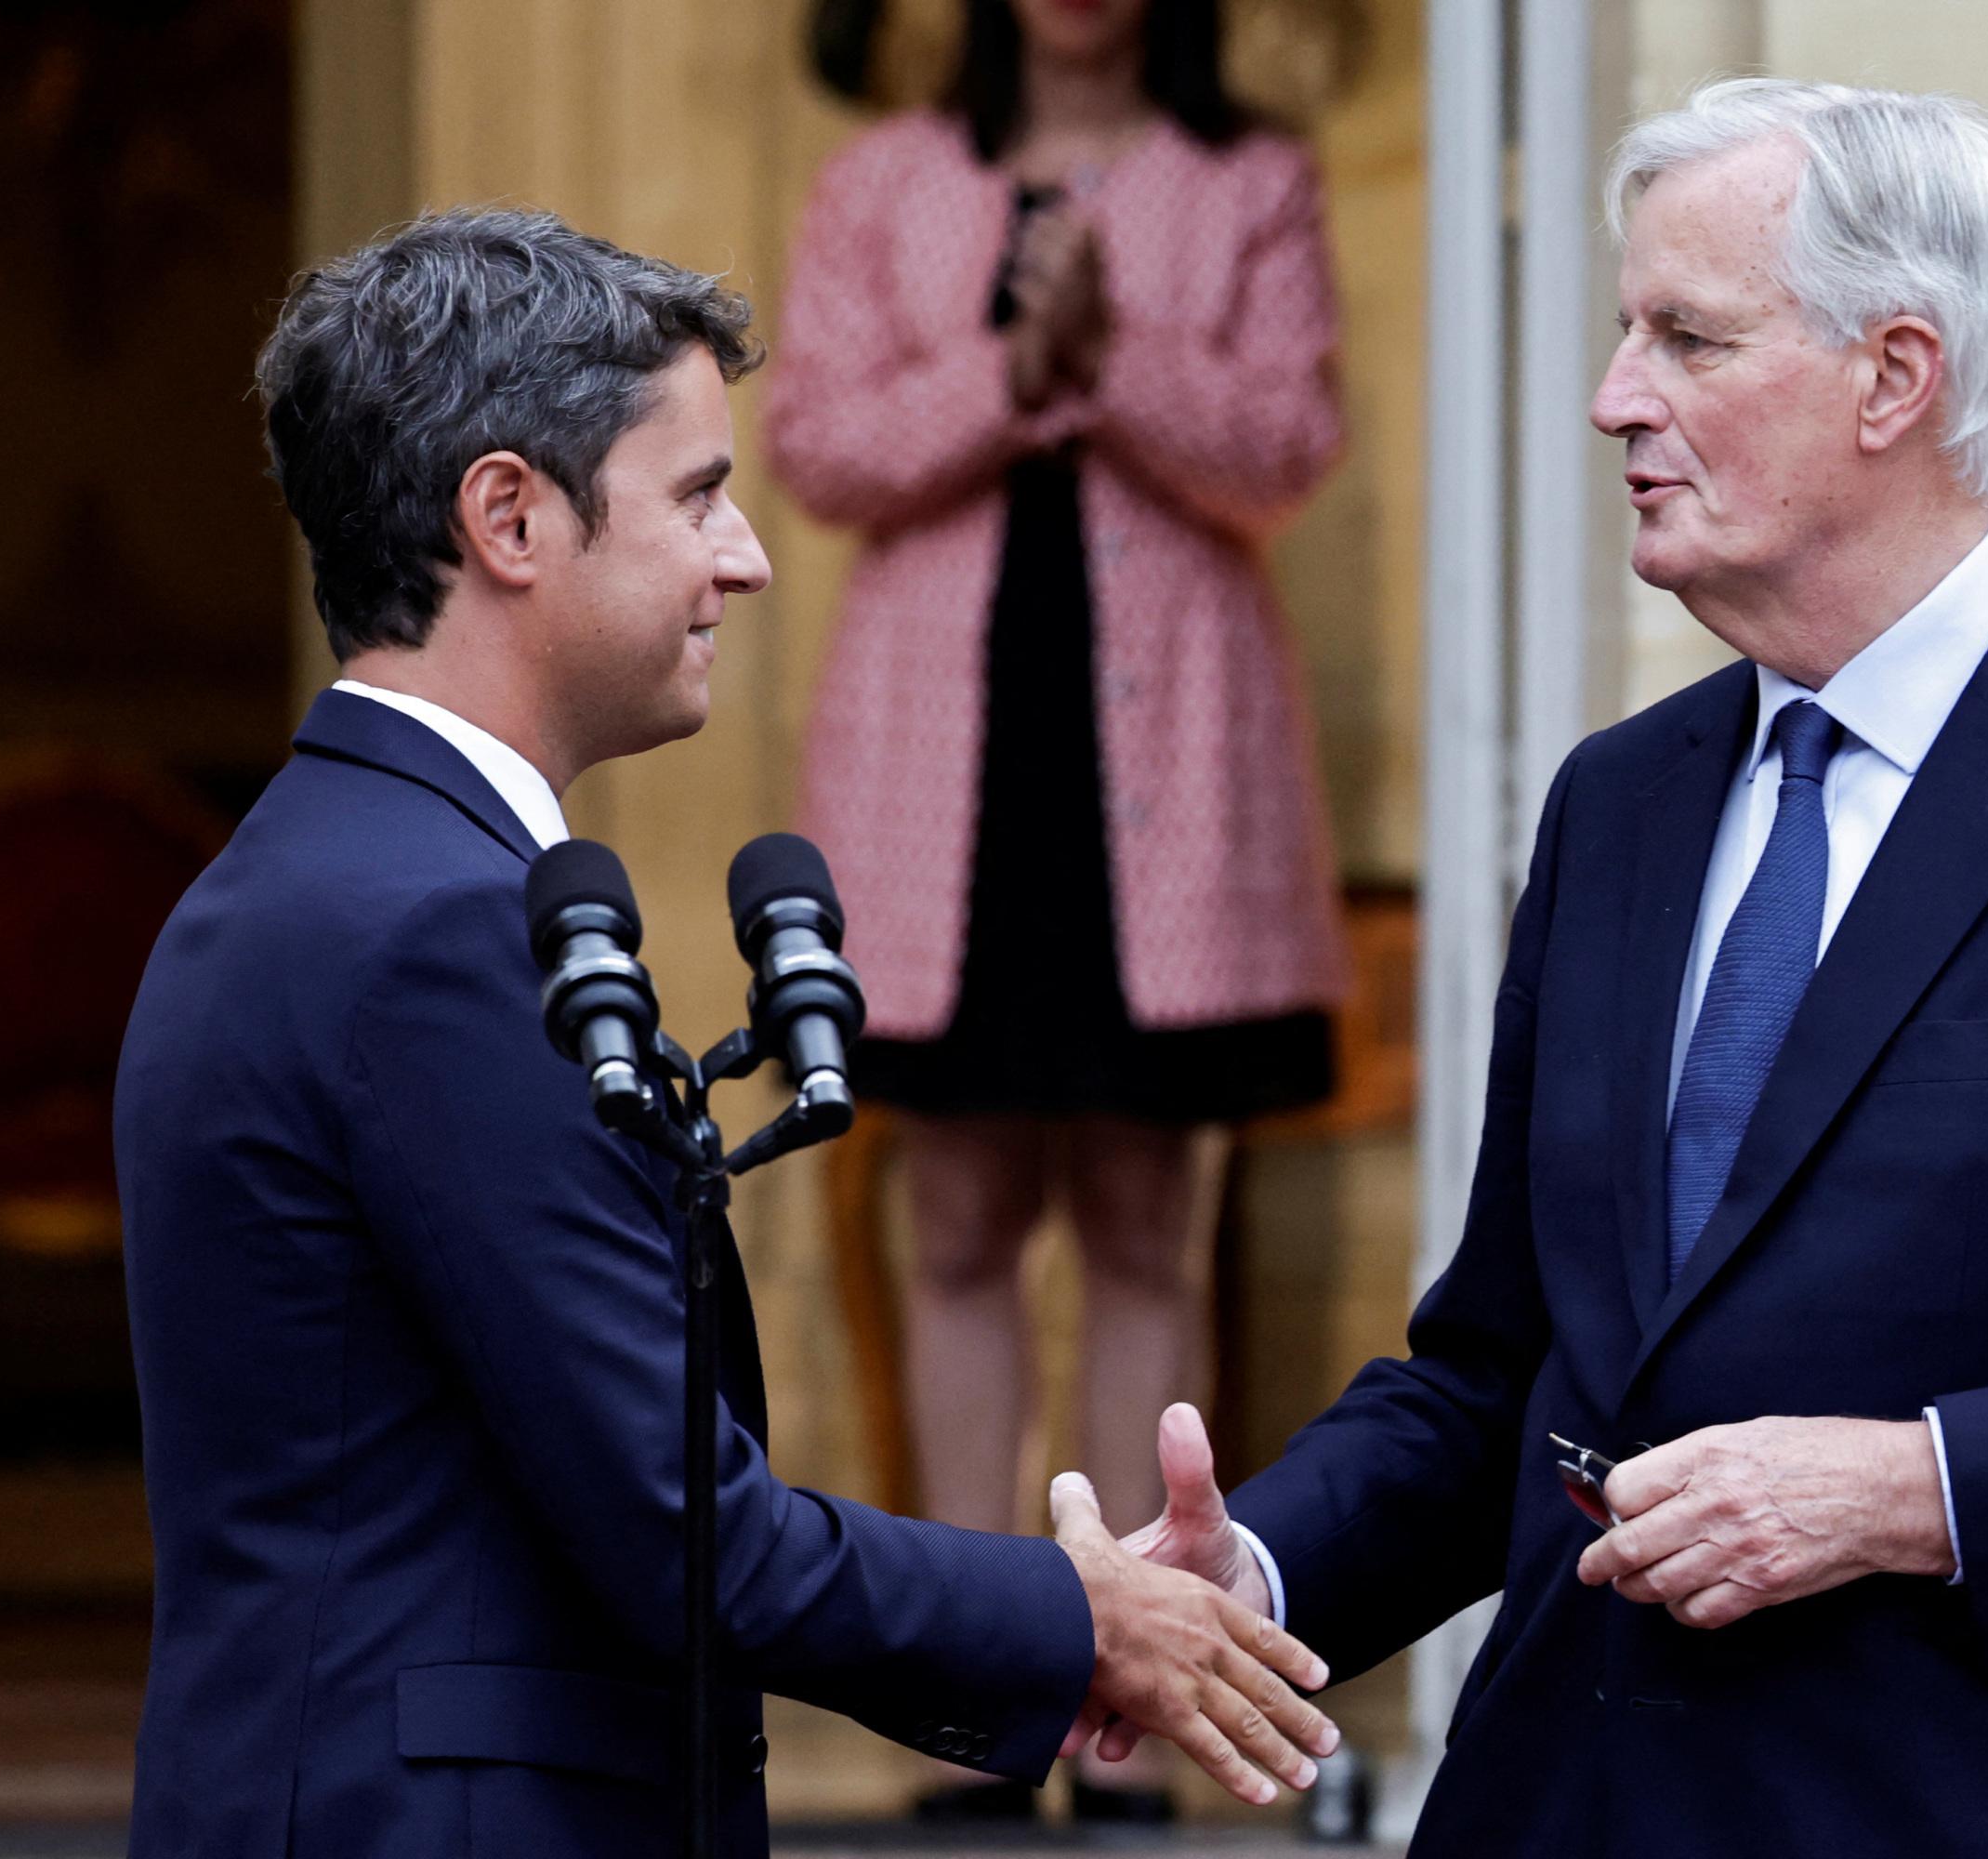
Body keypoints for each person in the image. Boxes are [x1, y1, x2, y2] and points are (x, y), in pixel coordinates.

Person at [1088, 79, 1988, 1855]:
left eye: (1688, 338)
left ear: (1894, 375)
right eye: (1629, 333)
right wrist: (1250, 1566)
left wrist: (1923, 1488)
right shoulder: (1622, 801)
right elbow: (1508, 1377)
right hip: (1570, 1805)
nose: (1617, 397)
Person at [114, 206, 1336, 1859]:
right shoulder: (437, 933)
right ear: (510, 518)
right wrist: (1082, 1619)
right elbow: (689, 1531)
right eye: (696, 496)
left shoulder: (319, 872)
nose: (747, 559)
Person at [763, 0, 1347, 1821]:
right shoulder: (884, 179)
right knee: (952, 1213)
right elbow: (819, 448)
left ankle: (1147, 1704)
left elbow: (1284, 444)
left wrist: (1116, 351)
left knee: (1144, 1216)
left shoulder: (1251, 177)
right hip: (948, 759)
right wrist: (1018, 367)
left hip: (1164, 761)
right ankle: (972, 1695)